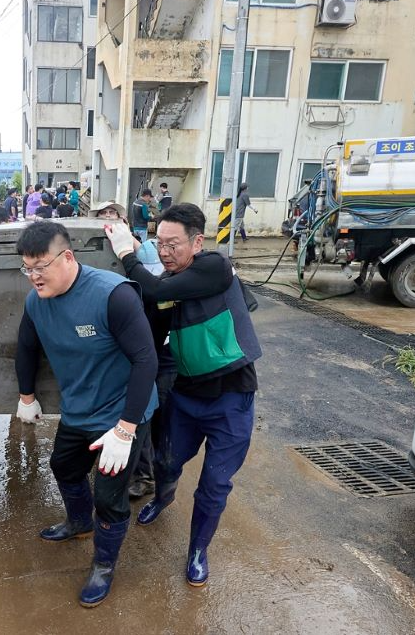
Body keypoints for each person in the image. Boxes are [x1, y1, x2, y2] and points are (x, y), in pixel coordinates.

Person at [103, 203, 261, 587]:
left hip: (231, 398)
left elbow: (154, 286)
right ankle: (163, 496)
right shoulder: (166, 289)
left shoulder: (214, 266)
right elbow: (150, 339)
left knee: (214, 485)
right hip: (187, 396)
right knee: (167, 460)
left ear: (198, 242)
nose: (164, 252)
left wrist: (127, 253)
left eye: (173, 244)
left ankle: (197, 550)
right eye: (158, 244)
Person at [14, 221, 158, 608]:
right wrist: (26, 396)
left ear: (68, 257)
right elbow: (26, 347)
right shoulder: (36, 302)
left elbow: (146, 360)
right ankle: (79, 521)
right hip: (79, 409)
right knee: (64, 466)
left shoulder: (112, 295)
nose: (33, 277)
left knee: (111, 496)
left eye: (41, 266)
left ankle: (104, 564)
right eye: (27, 268)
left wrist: (126, 430)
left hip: (122, 413)